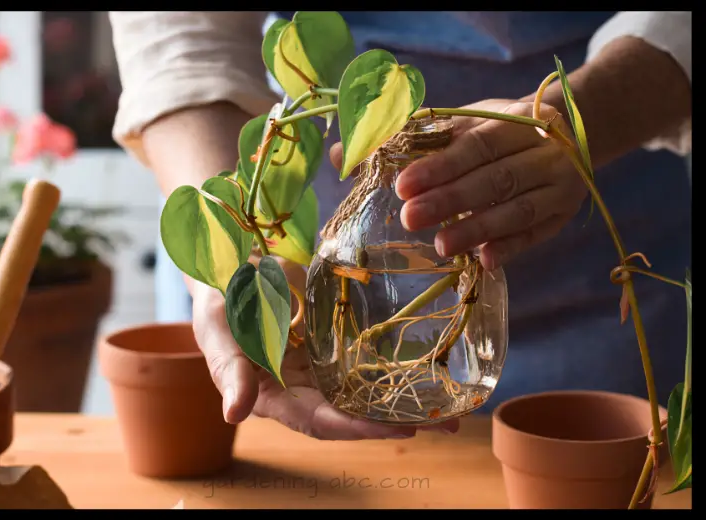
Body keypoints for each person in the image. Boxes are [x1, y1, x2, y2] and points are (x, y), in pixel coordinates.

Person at [108, 11, 692, 440]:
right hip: (303, 258)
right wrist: (235, 260)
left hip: (617, 179)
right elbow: (180, 39)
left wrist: (581, 120)